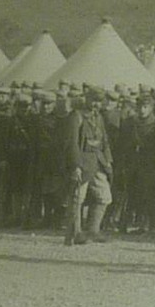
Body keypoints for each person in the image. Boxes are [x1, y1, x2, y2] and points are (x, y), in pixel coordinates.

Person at [63, 88, 114, 244]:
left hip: (98, 161)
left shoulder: (99, 117)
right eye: (93, 100)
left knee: (104, 197)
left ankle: (93, 230)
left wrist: (108, 160)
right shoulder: (76, 116)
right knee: (77, 198)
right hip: (83, 162)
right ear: (86, 99)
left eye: (99, 101)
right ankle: (75, 233)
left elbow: (104, 140)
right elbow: (72, 143)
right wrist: (76, 165)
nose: (96, 104)